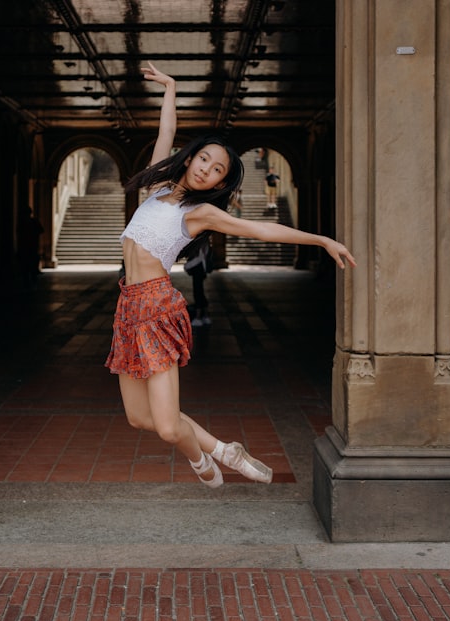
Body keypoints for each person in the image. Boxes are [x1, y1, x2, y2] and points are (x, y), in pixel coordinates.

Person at [105, 62, 357, 488]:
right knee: (138, 418)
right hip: (127, 306)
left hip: (155, 308)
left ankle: (203, 461)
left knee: (168, 428)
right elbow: (166, 131)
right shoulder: (157, 188)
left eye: (217, 169)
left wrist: (321, 240)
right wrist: (171, 88)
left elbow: (262, 228)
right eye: (204, 158)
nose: (206, 168)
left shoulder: (199, 213)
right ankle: (224, 451)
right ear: (191, 158)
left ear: (220, 182)